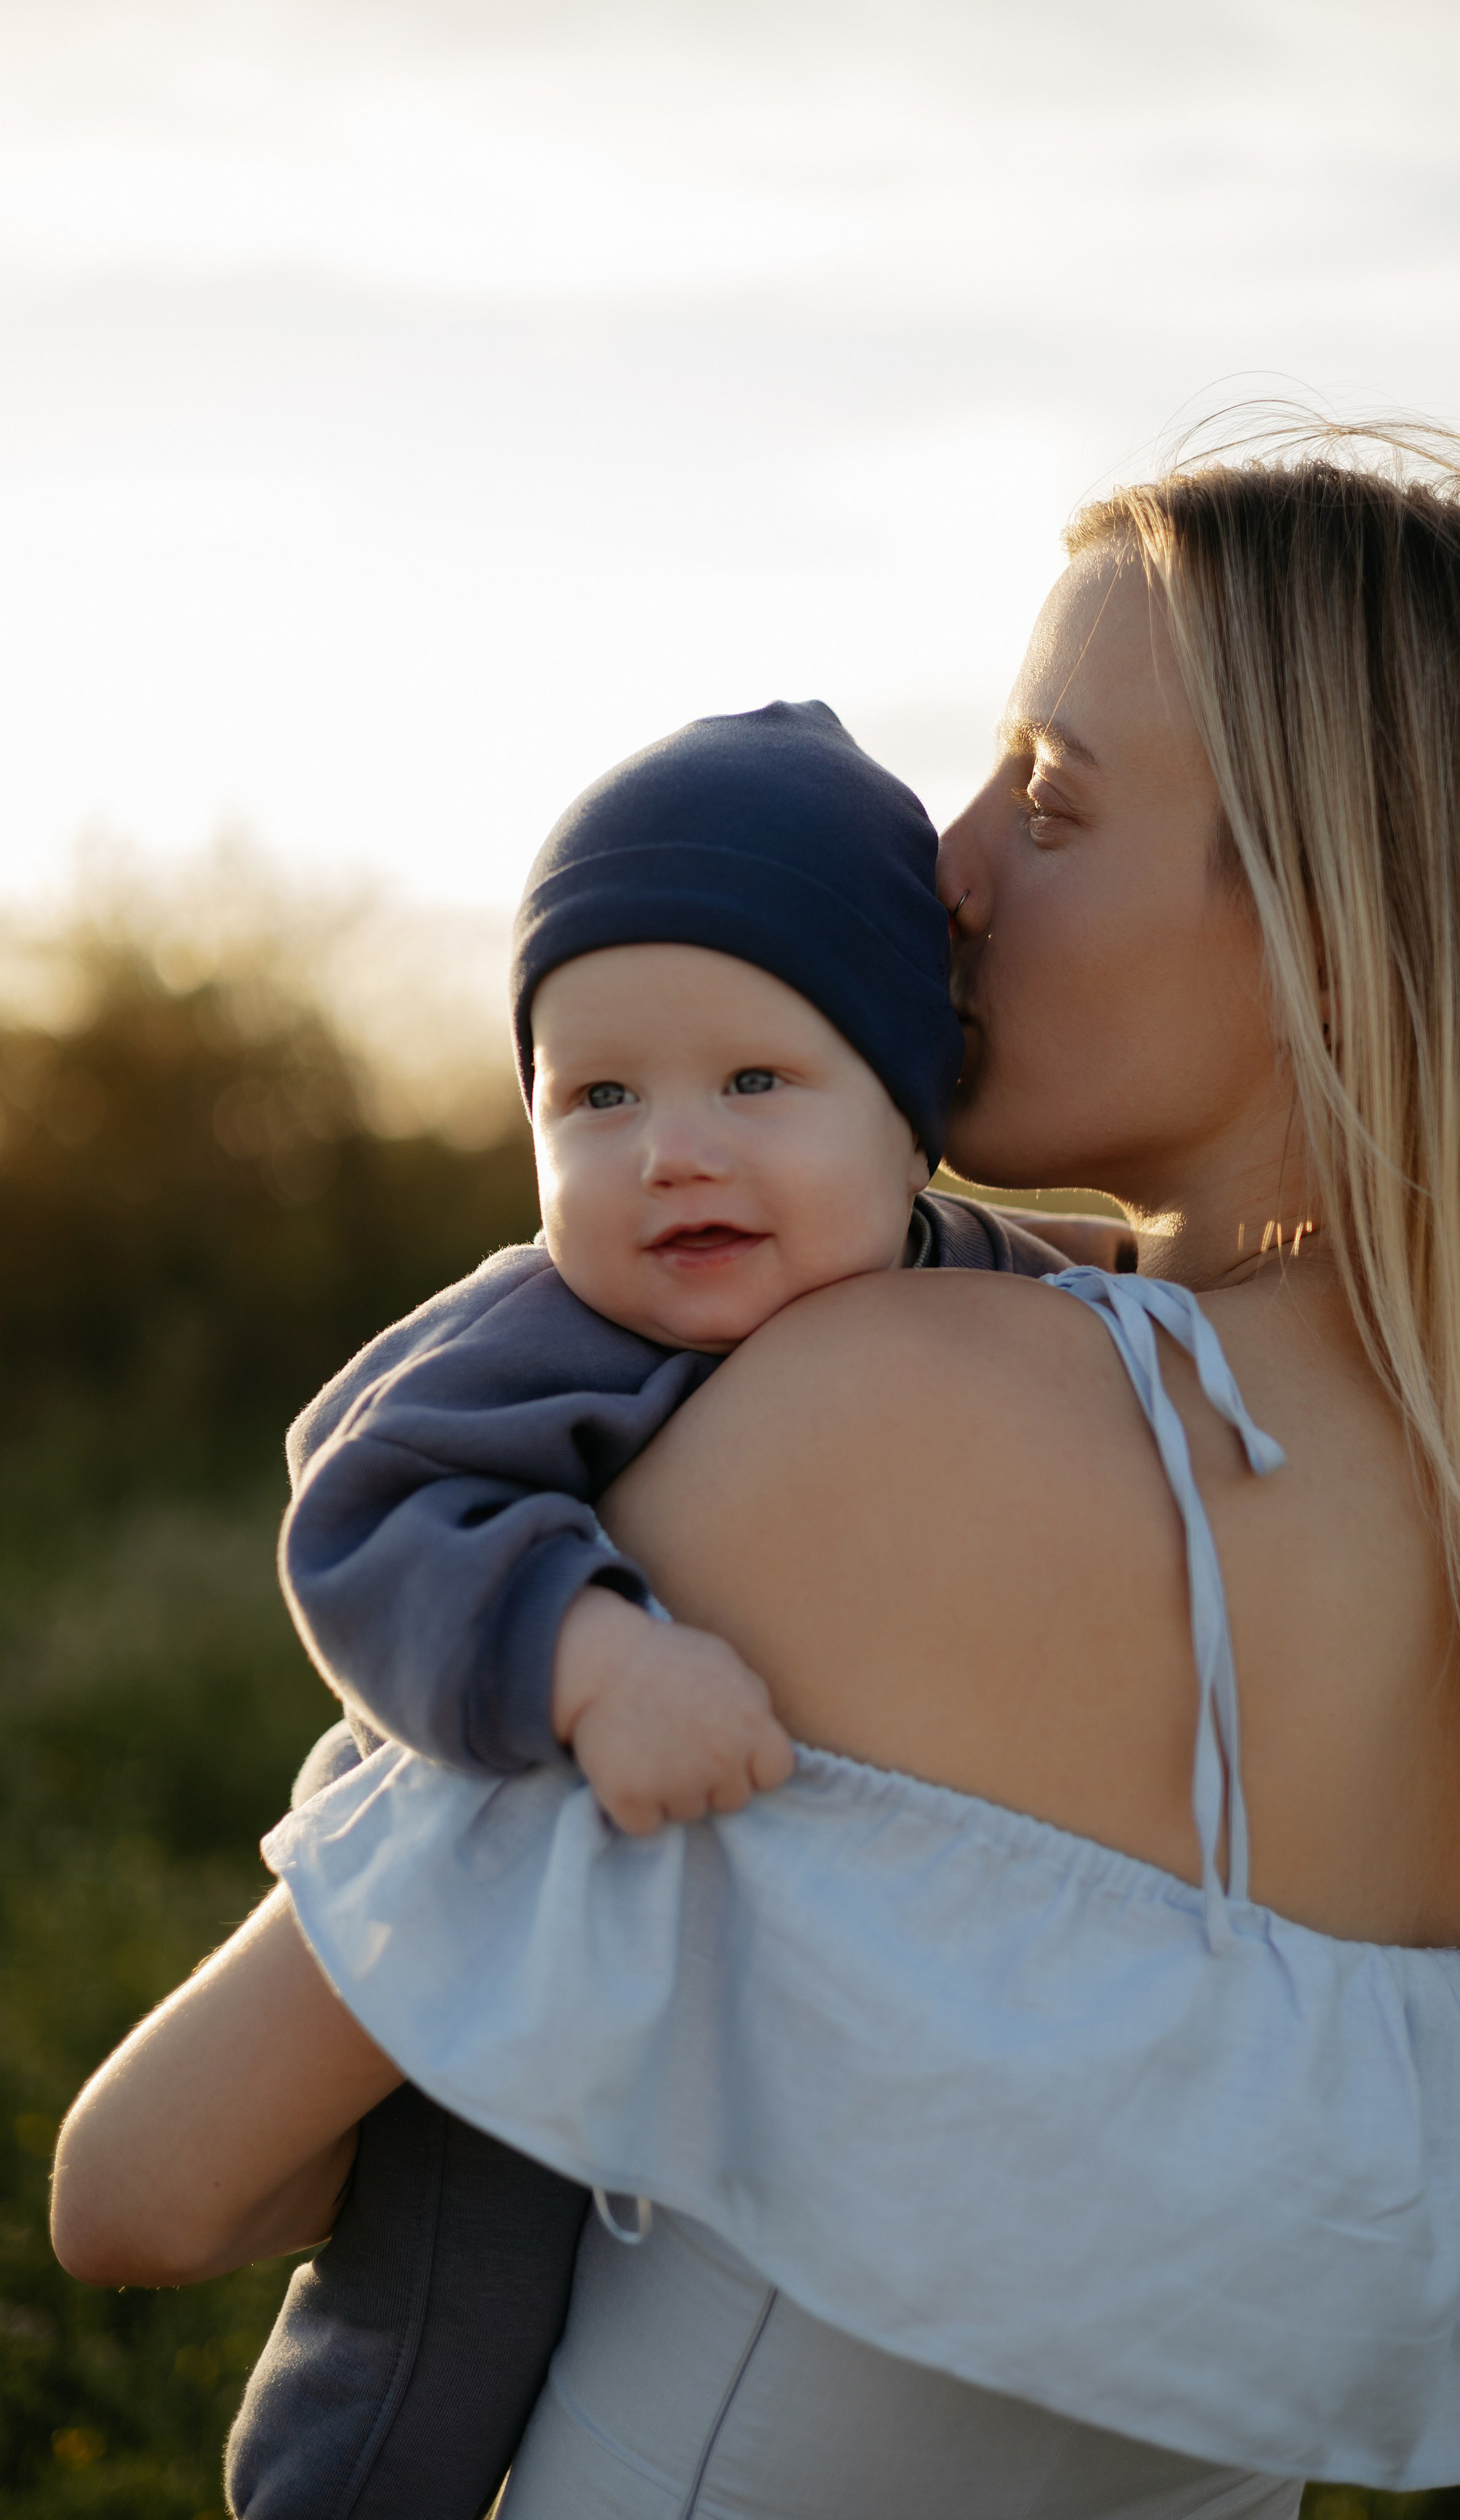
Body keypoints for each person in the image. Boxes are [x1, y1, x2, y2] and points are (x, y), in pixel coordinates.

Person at [52, 426, 1460, 2519]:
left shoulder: (889, 1406)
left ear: (1340, 943)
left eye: (1051, 800)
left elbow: (150, 2189)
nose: (949, 865)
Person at [225, 696, 1112, 2519]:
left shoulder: (959, 1271)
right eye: (598, 1097)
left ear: (911, 1114)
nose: (671, 1152)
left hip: (768, 1957)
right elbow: (372, 1516)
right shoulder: (544, 1329)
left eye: (754, 1083)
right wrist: (595, 1658)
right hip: (500, 1892)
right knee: (448, 2300)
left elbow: (1096, 1281)